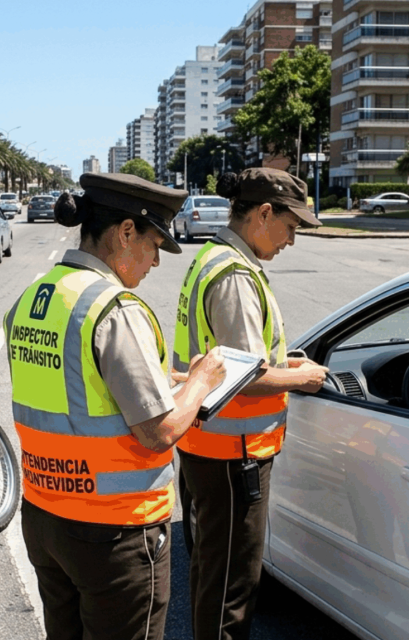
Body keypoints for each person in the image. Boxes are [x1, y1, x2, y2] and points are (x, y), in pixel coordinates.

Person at [4, 172, 227, 640]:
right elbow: (159, 431)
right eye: (154, 245)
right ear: (126, 232)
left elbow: (77, 385)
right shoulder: (113, 308)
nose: (156, 262)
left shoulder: (32, 298)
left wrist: (166, 382)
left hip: (45, 515)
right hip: (112, 530)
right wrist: (201, 381)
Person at [172, 168, 329, 640]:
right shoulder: (236, 276)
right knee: (231, 589)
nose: (291, 240)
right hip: (233, 455)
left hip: (208, 446)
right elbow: (245, 377)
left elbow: (235, 356)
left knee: (212, 573)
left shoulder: (213, 258)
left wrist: (281, 362)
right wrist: (301, 377)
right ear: (263, 214)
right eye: (291, 226)